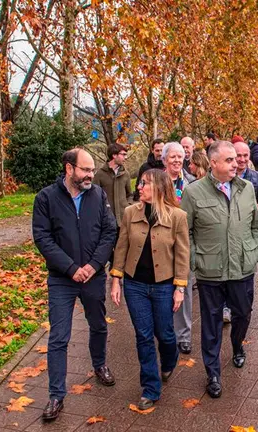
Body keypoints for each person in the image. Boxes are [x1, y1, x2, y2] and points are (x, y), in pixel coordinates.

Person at [32, 148, 118, 421]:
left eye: (92, 170)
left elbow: (109, 231)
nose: (90, 175)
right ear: (69, 169)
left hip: (93, 276)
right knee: (59, 336)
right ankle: (56, 395)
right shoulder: (46, 198)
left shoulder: (98, 195)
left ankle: (99, 364)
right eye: (85, 170)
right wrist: (71, 269)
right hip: (62, 279)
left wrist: (93, 265)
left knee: (99, 325)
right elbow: (43, 238)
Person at [180, 140, 258, 399]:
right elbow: (186, 233)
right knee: (211, 323)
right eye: (229, 160)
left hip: (242, 268)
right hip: (211, 271)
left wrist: (256, 249)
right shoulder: (194, 192)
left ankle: (238, 345)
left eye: (236, 159)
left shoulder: (247, 188)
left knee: (243, 313)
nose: (236, 163)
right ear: (213, 163)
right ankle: (213, 372)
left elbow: (256, 225)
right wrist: (196, 260)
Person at [109, 169, 189, 411]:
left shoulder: (178, 216)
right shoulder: (130, 213)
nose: (140, 187)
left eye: (145, 184)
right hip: (135, 285)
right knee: (143, 336)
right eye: (140, 183)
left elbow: (183, 255)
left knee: (165, 335)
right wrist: (116, 280)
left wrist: (180, 288)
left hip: (164, 285)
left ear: (159, 188)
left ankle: (169, 360)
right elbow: (120, 247)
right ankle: (150, 388)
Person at [220, 140, 258, 324]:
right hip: (226, 234)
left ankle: (243, 307)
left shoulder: (255, 178)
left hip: (247, 234)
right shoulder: (223, 179)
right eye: (238, 156)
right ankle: (226, 306)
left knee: (245, 274)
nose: (241, 159)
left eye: (245, 156)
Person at [161, 142, 196, 353]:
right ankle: (166, 332)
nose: (176, 160)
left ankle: (183, 335)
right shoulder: (155, 181)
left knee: (184, 287)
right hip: (160, 242)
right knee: (162, 289)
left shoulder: (191, 183)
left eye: (179, 156)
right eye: (172, 157)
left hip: (185, 242)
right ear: (164, 160)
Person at [93, 144, 133, 229]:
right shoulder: (99, 174)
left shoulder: (126, 174)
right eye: (123, 154)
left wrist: (127, 206)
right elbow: (94, 197)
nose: (125, 157)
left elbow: (130, 194)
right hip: (106, 221)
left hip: (123, 221)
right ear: (114, 155)